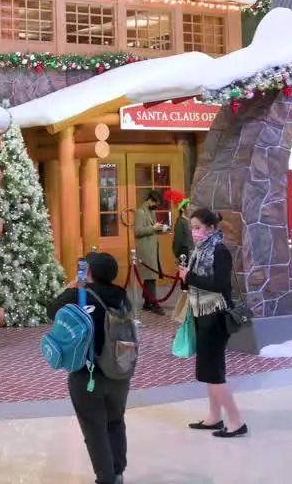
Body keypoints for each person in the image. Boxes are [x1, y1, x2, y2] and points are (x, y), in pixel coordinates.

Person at [46, 252, 131, 484]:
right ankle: (117, 471)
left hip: (87, 373)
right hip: (119, 371)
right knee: (115, 420)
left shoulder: (78, 294)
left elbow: (51, 310)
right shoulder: (122, 296)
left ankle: (105, 478)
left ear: (89, 273)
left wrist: (73, 286)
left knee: (94, 428)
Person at [177, 208, 246, 438]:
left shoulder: (220, 251)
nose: (194, 233)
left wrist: (190, 278)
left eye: (198, 228)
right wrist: (185, 280)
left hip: (215, 316)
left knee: (214, 372)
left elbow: (220, 285)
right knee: (208, 371)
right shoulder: (198, 252)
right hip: (201, 313)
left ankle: (236, 421)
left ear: (211, 228)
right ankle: (214, 417)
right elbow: (194, 284)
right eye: (193, 228)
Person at [133, 191, 168, 315]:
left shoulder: (151, 211)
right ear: (150, 200)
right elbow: (137, 231)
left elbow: (152, 229)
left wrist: (161, 229)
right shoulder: (140, 212)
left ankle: (147, 302)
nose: (156, 206)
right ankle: (153, 303)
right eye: (155, 203)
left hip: (153, 248)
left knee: (150, 277)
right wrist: (153, 228)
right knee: (151, 277)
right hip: (145, 250)